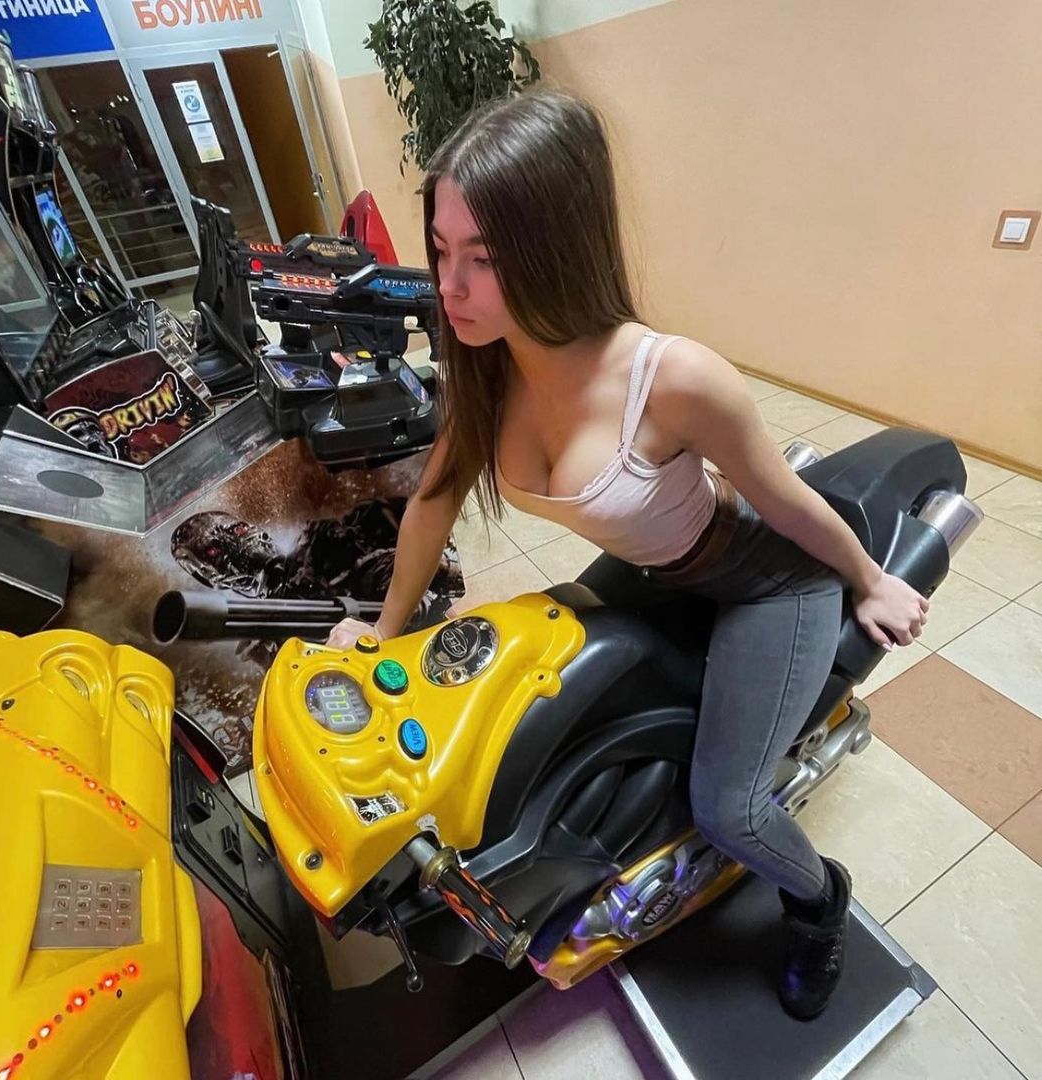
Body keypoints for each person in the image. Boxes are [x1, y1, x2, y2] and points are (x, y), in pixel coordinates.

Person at [325, 90, 928, 1020]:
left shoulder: (672, 377)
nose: (450, 286)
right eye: (441, 251)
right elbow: (433, 503)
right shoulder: (486, 366)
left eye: (483, 259)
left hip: (768, 583)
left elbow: (782, 500)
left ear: (556, 249)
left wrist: (871, 579)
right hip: (657, 569)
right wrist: (384, 630)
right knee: (549, 699)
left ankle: (818, 903)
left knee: (730, 807)